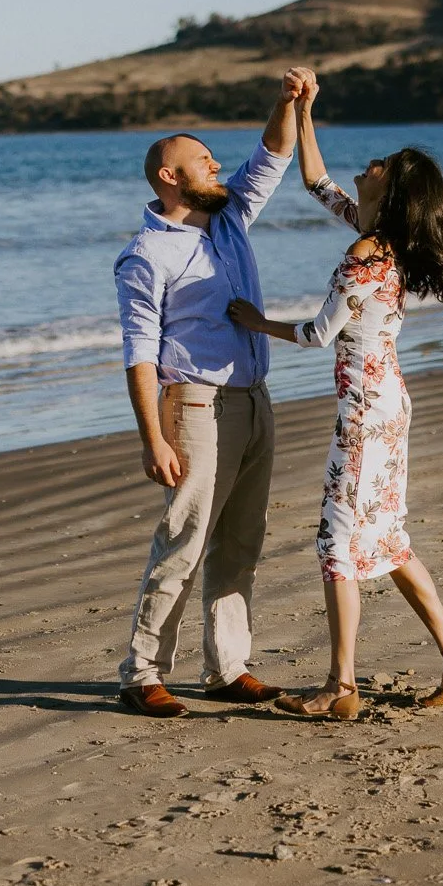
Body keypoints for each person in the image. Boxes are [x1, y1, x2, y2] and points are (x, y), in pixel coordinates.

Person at [226, 77, 443, 719]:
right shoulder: (378, 235)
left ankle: (341, 686)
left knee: (338, 543)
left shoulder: (363, 257)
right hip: (387, 402)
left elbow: (317, 334)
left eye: (381, 167)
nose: (368, 165)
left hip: (366, 415)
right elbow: (317, 183)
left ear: (388, 192)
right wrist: (306, 112)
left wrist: (256, 324)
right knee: (387, 538)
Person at [112, 68, 314, 719]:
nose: (218, 165)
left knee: (241, 542)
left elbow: (273, 156)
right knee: (186, 539)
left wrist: (287, 103)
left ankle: (228, 669)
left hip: (256, 399)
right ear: (171, 176)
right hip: (195, 406)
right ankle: (142, 674)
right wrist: (153, 439)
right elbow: (139, 352)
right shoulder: (146, 254)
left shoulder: (229, 222)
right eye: (203, 160)